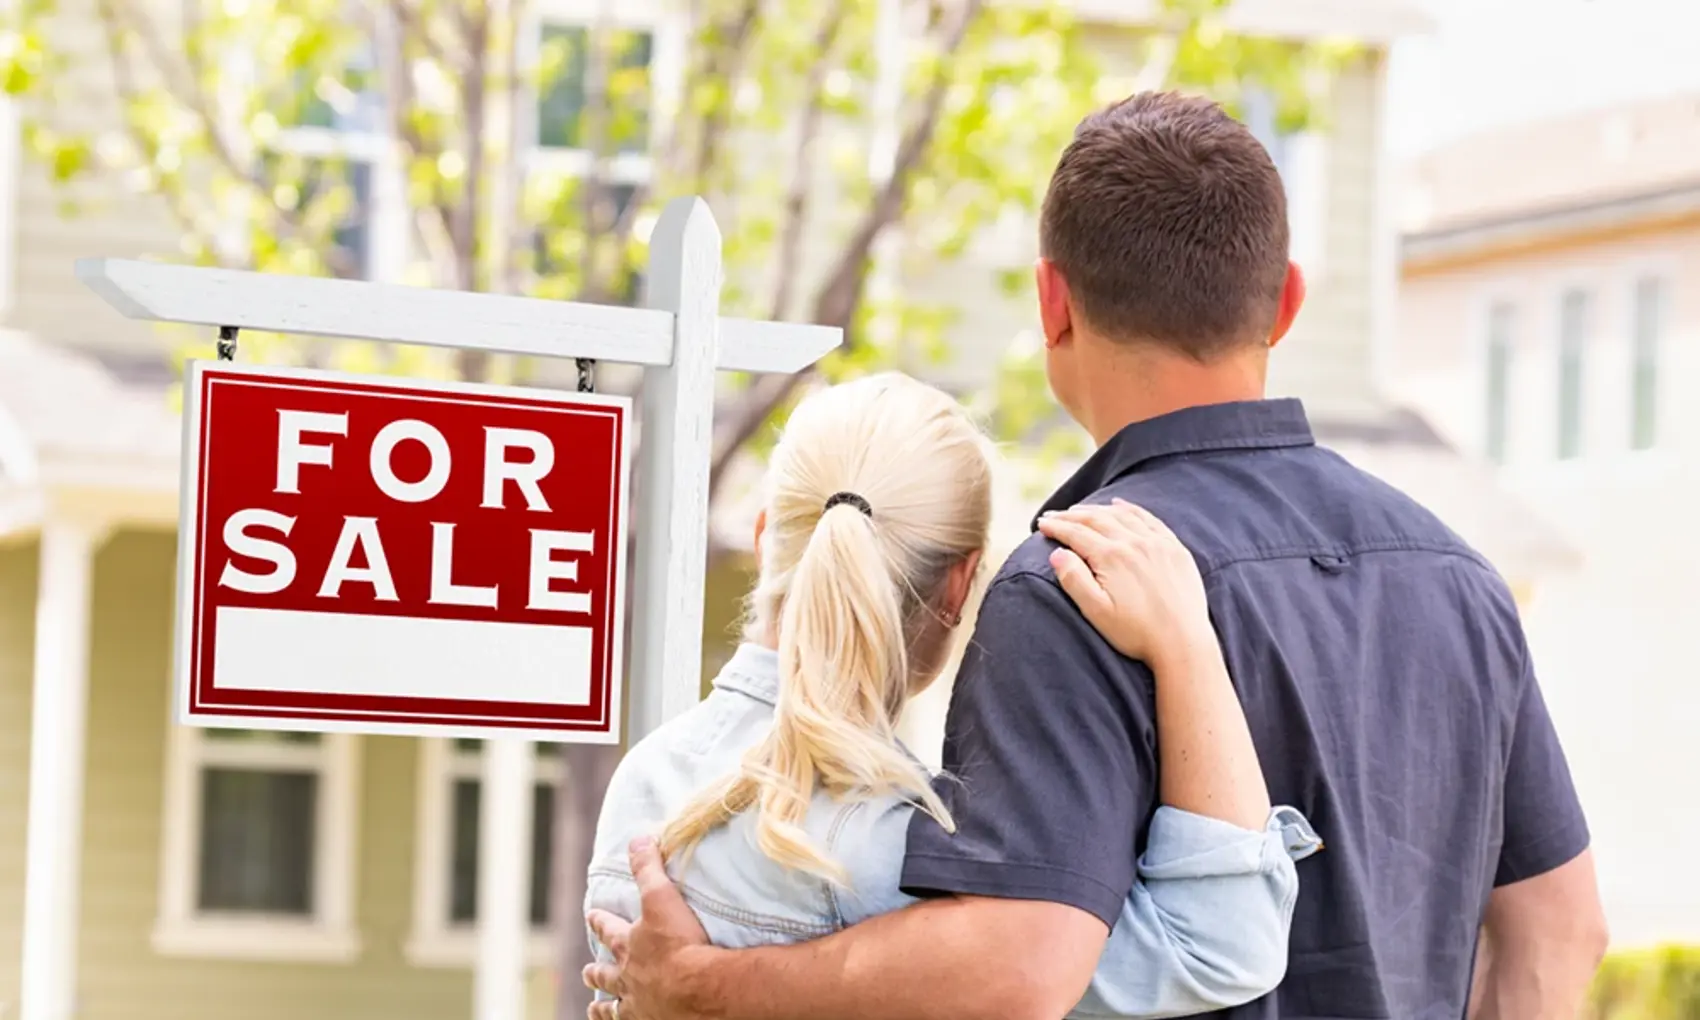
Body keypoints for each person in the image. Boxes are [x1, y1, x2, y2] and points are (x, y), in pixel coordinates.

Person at [586, 91, 1608, 1020]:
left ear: (1050, 304)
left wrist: (713, 987)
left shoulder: (1069, 586)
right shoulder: (1461, 584)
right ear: (1286, 304)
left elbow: (1015, 962)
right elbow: (1559, 935)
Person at [585, 372, 1322, 1018]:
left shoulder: (643, 781)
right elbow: (1218, 943)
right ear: (962, 584)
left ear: (762, 535)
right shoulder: (886, 842)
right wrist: (1186, 644)